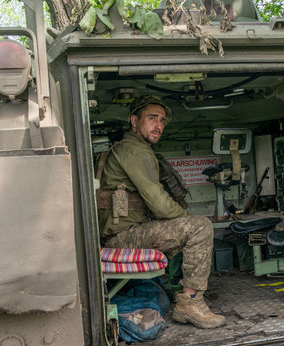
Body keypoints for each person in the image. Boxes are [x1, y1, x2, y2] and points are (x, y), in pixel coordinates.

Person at [96, 95, 226, 329]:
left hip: (124, 233)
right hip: (123, 237)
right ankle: (190, 304)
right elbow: (157, 201)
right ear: (134, 121)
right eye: (152, 118)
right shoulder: (135, 151)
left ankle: (185, 297)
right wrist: (190, 222)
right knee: (200, 227)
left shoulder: (130, 149)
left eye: (162, 121)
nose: (159, 125)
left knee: (189, 232)